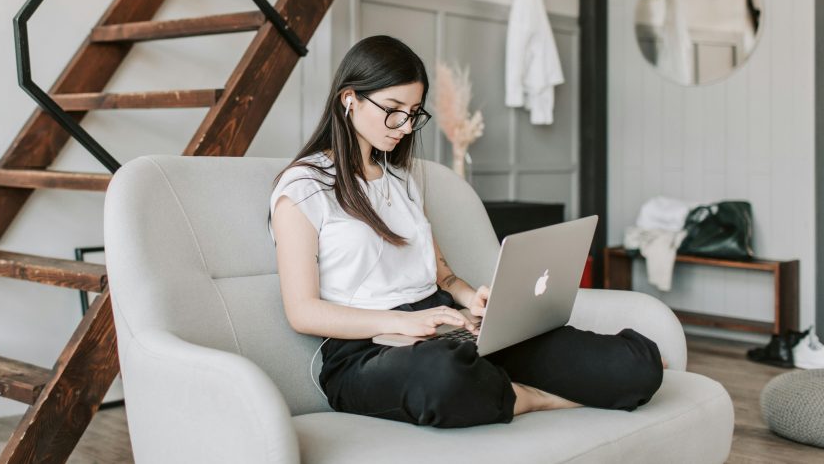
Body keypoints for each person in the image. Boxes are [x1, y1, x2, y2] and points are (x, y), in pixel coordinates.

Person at [267, 35, 664, 428]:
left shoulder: (402, 180)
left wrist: (474, 300)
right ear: (349, 99)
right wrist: (397, 322)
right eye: (392, 109)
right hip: (367, 354)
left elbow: (444, 276)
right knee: (444, 376)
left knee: (632, 366)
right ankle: (533, 398)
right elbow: (302, 311)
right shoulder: (303, 188)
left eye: (413, 112)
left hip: (445, 329)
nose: (404, 126)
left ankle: (505, 385)